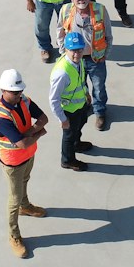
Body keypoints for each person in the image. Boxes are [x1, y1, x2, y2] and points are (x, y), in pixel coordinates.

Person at [0, 68, 48, 259]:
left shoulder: (24, 100)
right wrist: (37, 133)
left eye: (20, 91)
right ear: (3, 91)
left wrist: (31, 133)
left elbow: (43, 118)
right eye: (15, 92)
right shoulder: (1, 118)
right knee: (13, 199)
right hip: (13, 162)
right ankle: (13, 235)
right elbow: (22, 143)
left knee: (25, 181)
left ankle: (26, 206)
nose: (19, 95)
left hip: (28, 155)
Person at [57, 0, 111, 130]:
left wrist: (106, 53)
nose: (81, 0)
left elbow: (108, 34)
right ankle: (87, 106)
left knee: (99, 87)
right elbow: (60, 32)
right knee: (81, 86)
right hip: (75, 60)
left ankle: (100, 112)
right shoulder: (65, 11)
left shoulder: (100, 10)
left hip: (96, 58)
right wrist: (63, 53)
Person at [49, 32, 91, 172]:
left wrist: (86, 93)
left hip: (80, 106)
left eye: (79, 49)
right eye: (73, 50)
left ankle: (76, 144)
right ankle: (67, 160)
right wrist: (62, 119)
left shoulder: (79, 62)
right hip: (68, 111)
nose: (76, 54)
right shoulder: (62, 73)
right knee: (69, 135)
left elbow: (81, 79)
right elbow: (54, 99)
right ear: (65, 49)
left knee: (80, 125)